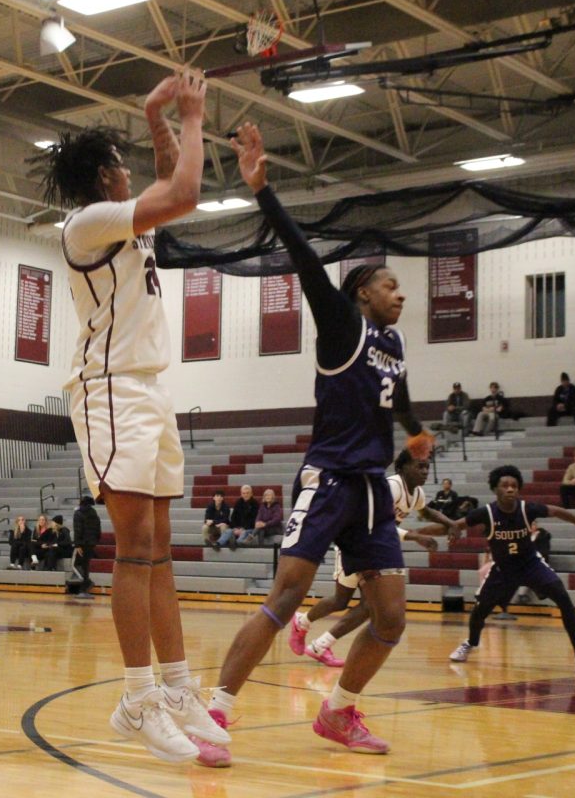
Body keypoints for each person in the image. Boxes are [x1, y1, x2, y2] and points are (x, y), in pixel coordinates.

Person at [200, 122, 436, 765]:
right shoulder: (342, 325)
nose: (401, 294)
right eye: (391, 286)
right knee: (286, 596)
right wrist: (263, 191)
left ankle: (338, 713)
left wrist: (416, 433)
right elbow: (305, 259)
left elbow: (401, 398)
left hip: (370, 490)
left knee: (390, 618)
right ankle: (215, 711)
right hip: (329, 477)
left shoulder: (395, 345)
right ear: (364, 292)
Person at [39, 68, 225, 763]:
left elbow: (168, 181)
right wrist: (195, 114)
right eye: (121, 165)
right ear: (103, 176)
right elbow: (186, 191)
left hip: (147, 387)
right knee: (136, 546)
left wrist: (156, 114)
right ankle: (136, 696)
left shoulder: (125, 216)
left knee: (161, 550)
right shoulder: (88, 224)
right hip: (110, 389)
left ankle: (176, 688)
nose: (130, 174)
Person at [289, 450, 457, 667]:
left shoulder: (416, 493)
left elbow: (426, 512)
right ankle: (303, 624)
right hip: (355, 542)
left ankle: (319, 644)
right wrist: (415, 536)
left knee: (369, 606)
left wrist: (451, 523)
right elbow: (378, 524)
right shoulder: (391, 487)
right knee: (343, 600)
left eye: (426, 466)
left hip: (374, 547)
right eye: (419, 466)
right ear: (401, 468)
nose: (424, 471)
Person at [448, 465, 575, 674]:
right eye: (505, 485)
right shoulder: (486, 513)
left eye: (514, 485)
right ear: (495, 489)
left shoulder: (527, 508)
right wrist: (419, 534)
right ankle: (471, 643)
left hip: (530, 564)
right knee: (479, 612)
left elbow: (560, 512)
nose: (510, 489)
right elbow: (453, 525)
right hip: (503, 569)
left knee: (563, 597)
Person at [71, 495, 101, 598]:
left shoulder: (78, 513)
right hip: (91, 543)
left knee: (76, 565)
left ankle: (85, 586)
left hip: (82, 543)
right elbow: (98, 528)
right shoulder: (94, 513)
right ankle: (86, 584)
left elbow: (78, 529)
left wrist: (77, 544)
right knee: (86, 565)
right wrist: (95, 541)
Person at [225, 484, 260, 549]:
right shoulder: (238, 503)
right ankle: (217, 543)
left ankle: (235, 543)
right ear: (241, 494)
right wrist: (235, 528)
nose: (245, 495)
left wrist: (243, 528)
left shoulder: (255, 504)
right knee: (228, 531)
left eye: (247, 493)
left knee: (244, 532)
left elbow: (254, 520)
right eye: (243, 493)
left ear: (251, 493)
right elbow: (233, 517)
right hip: (238, 527)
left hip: (249, 528)